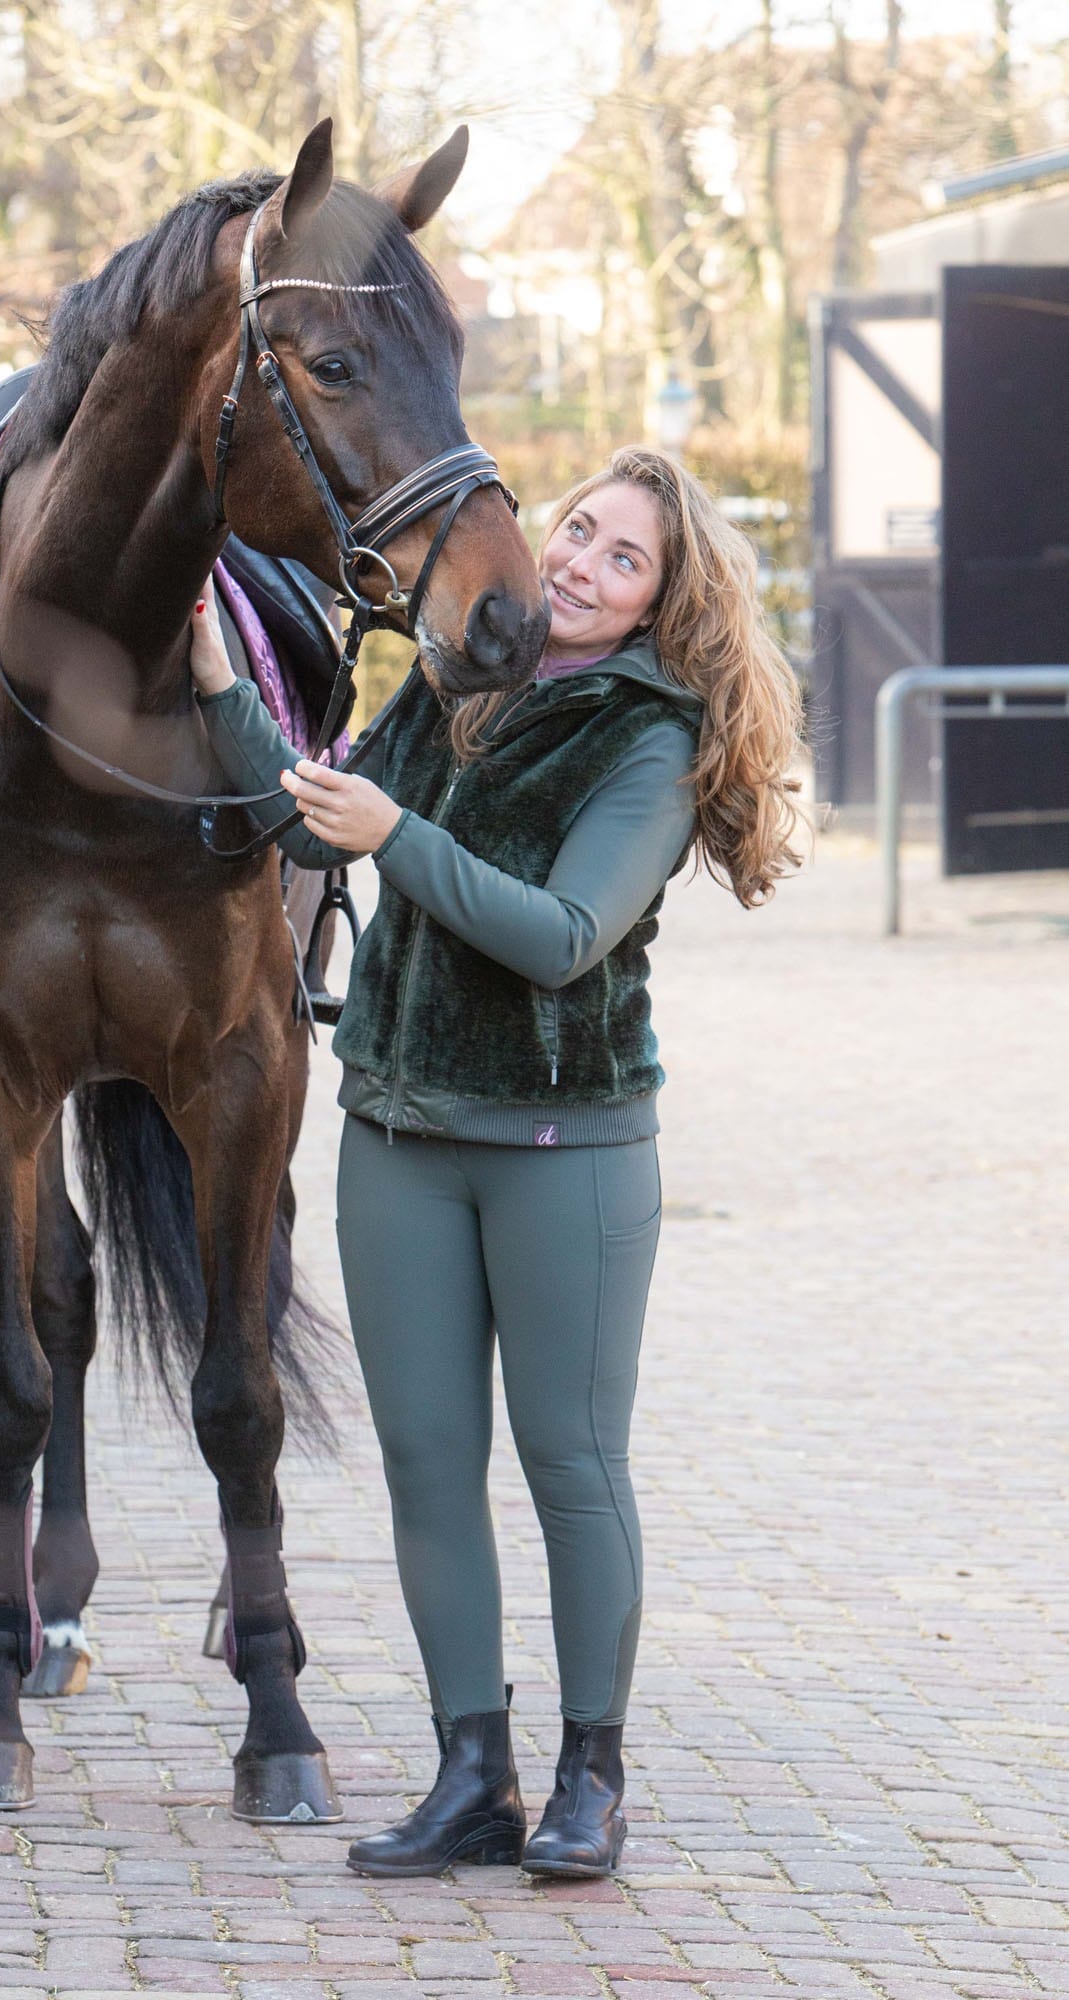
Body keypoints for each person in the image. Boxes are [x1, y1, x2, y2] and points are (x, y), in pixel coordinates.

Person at [189, 446, 803, 1880]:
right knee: (423, 1464)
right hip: (398, 1137)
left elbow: (558, 935)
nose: (579, 564)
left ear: (665, 599)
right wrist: (221, 687)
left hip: (560, 1149)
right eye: (575, 530)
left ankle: (592, 1776)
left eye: (620, 557)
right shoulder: (454, 679)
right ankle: (473, 1771)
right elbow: (299, 813)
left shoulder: (650, 734)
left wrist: (394, 835)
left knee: (571, 1463)